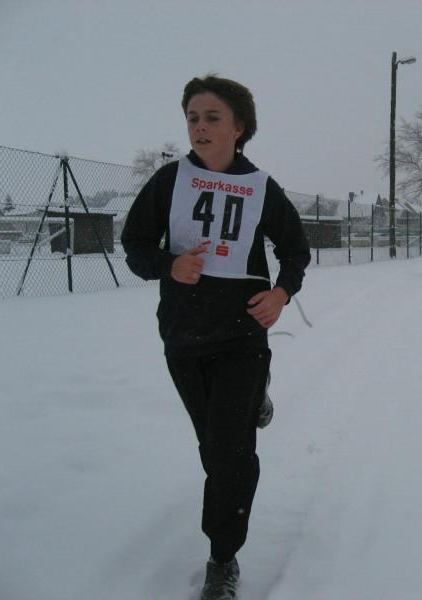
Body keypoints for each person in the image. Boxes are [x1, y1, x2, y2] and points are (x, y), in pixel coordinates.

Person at [121, 74, 310, 600]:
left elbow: (295, 249)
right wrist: (167, 264)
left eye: (212, 118)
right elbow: (134, 243)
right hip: (184, 335)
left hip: (242, 335)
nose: (199, 128)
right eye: (192, 118)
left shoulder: (260, 187)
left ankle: (223, 558)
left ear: (239, 127)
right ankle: (256, 400)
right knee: (212, 444)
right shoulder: (169, 181)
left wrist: (281, 293)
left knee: (229, 453)